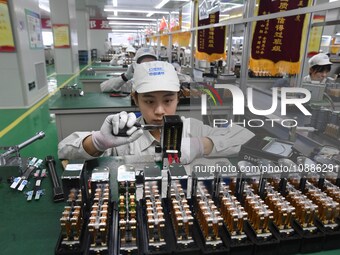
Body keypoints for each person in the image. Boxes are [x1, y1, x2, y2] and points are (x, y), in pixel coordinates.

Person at [58, 61, 255, 164]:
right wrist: (98, 142)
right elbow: (63, 150)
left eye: (168, 100)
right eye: (149, 101)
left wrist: (200, 145)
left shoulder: (191, 128)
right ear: (135, 99)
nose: (160, 111)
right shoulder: (125, 135)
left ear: (178, 98)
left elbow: (247, 137)